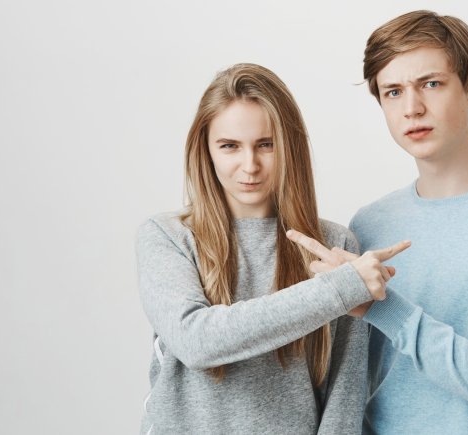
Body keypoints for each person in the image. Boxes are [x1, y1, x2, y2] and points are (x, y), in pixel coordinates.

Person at [286, 10, 468, 434]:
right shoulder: (369, 223)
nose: (412, 108)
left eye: (431, 84)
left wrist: (382, 307)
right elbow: (350, 385)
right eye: (393, 92)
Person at [135, 63, 409, 434]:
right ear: (206, 150)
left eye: (266, 145)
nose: (250, 166)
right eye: (230, 146)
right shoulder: (167, 236)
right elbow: (196, 341)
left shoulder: (335, 245)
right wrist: (339, 289)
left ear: (289, 147)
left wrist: (344, 286)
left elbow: (343, 401)